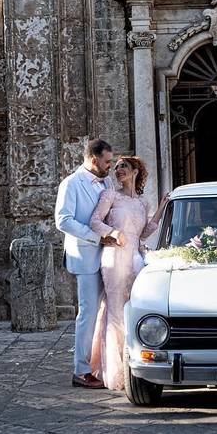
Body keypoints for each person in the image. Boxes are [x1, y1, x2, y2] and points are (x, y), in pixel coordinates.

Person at [89, 156, 169, 391]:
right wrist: (113, 233)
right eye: (115, 167)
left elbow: (144, 233)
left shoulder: (143, 203)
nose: (118, 170)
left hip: (135, 256)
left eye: (123, 166)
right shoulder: (110, 195)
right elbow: (94, 222)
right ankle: (116, 372)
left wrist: (162, 207)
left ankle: (137, 365)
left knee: (134, 308)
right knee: (115, 309)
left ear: (135, 171)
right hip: (114, 256)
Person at [54, 138, 117, 389]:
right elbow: (63, 220)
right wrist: (97, 237)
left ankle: (102, 364)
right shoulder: (71, 184)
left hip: (108, 257)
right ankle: (81, 370)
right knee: (88, 313)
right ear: (94, 160)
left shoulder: (108, 181)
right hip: (86, 256)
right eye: (107, 161)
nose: (110, 166)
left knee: (106, 312)